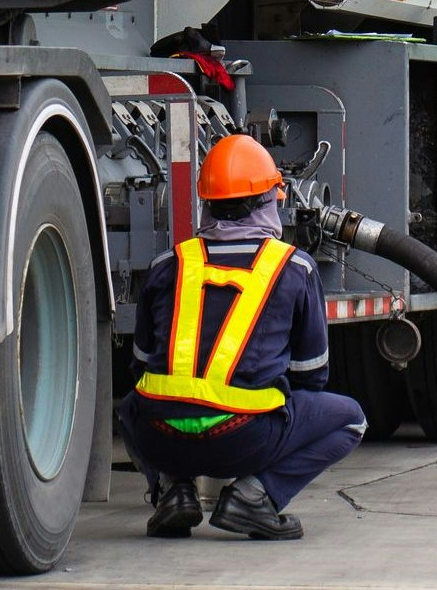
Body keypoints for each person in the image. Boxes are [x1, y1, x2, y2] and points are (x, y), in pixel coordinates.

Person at [117, 133, 365, 540]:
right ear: (270, 199)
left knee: (133, 405)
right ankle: (254, 498)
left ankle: (172, 492)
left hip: (159, 438)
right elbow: (311, 377)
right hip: (245, 439)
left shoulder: (167, 264)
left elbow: (140, 365)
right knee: (351, 420)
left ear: (207, 202)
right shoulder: (294, 268)